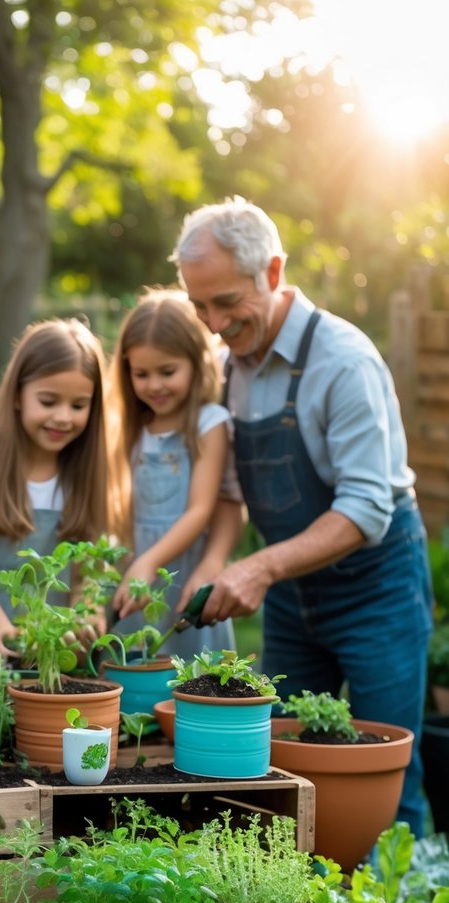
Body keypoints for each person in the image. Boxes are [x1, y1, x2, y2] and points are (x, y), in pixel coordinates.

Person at [174, 197, 433, 836]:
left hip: (378, 585)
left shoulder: (343, 360)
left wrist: (259, 567)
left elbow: (367, 507)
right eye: (199, 306)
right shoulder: (232, 365)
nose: (212, 324)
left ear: (273, 270)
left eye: (226, 302)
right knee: (282, 771)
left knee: (385, 770)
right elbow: (233, 488)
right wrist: (217, 565)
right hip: (292, 592)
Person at [0, 318, 110, 656]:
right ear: (19, 395)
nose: (63, 417)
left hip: (54, 646)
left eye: (78, 405)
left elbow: (89, 564)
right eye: (49, 402)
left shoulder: (83, 472)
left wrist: (86, 609)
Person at [108, 287, 239, 659]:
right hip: (134, 575)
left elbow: (201, 510)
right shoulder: (130, 427)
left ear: (197, 362)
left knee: (188, 672)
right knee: (131, 671)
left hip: (181, 571)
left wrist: (148, 562)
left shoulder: (209, 424)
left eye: (168, 371)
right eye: (141, 374)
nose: (154, 385)